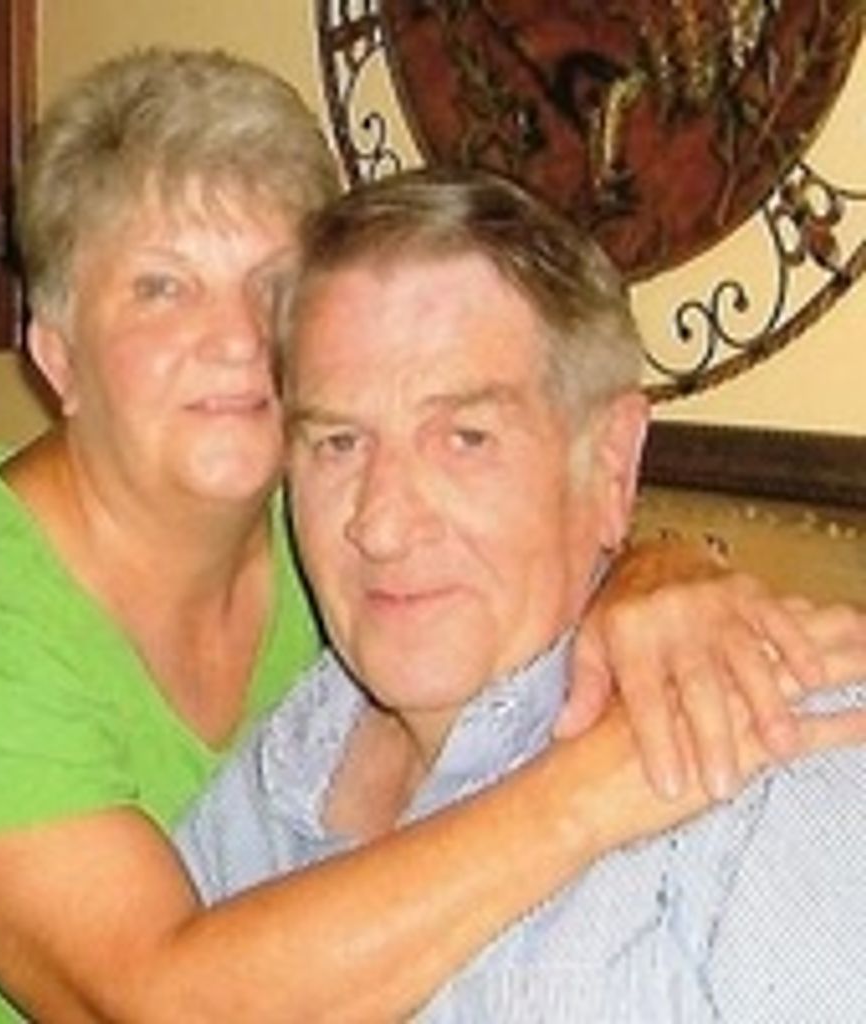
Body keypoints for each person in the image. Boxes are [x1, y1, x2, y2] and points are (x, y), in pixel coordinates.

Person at [0, 49, 851, 1022]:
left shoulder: (321, 535)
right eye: (161, 286)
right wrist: (601, 786)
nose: (239, 339)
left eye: (273, 288)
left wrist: (654, 573)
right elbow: (157, 1005)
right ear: (57, 358)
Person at [177, 167, 866, 1020]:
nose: (381, 525)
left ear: (609, 463)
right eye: (339, 443)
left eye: (465, 438)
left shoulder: (775, 768)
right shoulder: (278, 774)